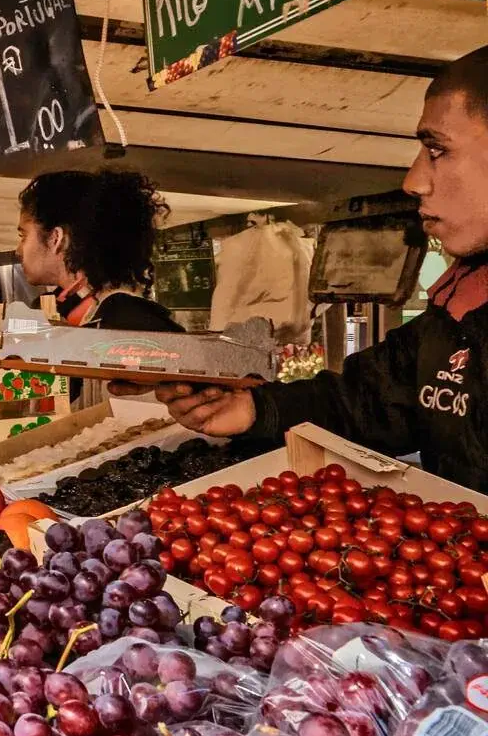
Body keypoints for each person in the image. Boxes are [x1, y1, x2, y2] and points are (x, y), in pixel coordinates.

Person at [159, 46, 488, 491]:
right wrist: (258, 410)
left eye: (437, 149)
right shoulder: (456, 307)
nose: (414, 180)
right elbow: (369, 400)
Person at [16, 170, 182, 332]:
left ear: (55, 238)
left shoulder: (126, 323)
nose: (18, 250)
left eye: (23, 236)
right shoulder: (112, 314)